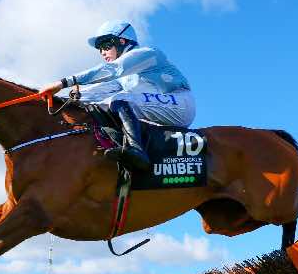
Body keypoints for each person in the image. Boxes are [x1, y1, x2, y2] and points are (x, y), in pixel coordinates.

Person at [40, 20, 195, 172]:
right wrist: (66, 98)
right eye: (99, 49)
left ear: (121, 41)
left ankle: (137, 151)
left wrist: (62, 83)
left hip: (181, 103)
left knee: (119, 99)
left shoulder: (148, 53)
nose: (102, 52)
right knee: (103, 103)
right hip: (163, 106)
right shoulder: (123, 78)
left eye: (105, 45)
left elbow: (112, 69)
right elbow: (99, 91)